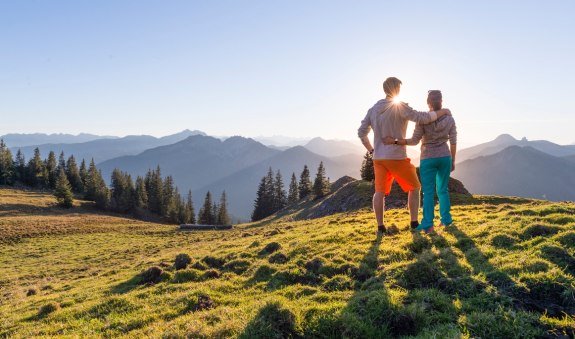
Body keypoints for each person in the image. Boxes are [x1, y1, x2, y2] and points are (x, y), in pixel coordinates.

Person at [358, 77, 451, 235]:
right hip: (396, 156)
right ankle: (414, 223)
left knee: (379, 192)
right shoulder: (400, 106)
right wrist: (442, 112)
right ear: (397, 89)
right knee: (415, 187)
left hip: (378, 158)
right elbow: (422, 118)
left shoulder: (373, 109)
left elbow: (361, 132)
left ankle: (380, 227)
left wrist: (371, 150)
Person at [383, 90, 457, 233]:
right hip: (444, 157)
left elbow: (413, 141)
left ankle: (428, 224)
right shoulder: (450, 119)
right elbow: (453, 142)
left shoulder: (422, 120)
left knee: (428, 193)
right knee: (442, 190)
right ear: (441, 100)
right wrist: (452, 160)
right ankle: (446, 220)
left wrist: (395, 141)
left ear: (428, 102)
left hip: (428, 159)